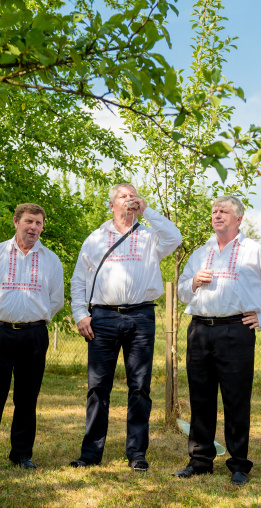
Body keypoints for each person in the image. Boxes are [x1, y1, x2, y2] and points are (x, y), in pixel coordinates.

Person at [174, 196, 261, 485]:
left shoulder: (254, 251)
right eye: (214, 211)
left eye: (224, 211)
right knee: (200, 397)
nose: (217, 215)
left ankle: (238, 464)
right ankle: (200, 461)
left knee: (236, 398)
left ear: (238, 218)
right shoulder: (201, 253)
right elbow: (181, 293)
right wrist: (193, 282)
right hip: (200, 330)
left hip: (236, 329)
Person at [69, 183, 181, 470]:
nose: (129, 199)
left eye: (133, 195)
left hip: (141, 316)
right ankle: (90, 454)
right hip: (102, 317)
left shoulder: (149, 236)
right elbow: (79, 279)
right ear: (112, 205)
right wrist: (81, 314)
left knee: (140, 386)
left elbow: (175, 238)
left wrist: (148, 211)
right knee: (98, 387)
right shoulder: (95, 238)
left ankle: (137, 453)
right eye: (123, 196)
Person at [0, 203, 64, 471]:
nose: (34, 227)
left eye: (39, 223)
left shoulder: (50, 259)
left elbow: (56, 299)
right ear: (16, 222)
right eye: (29, 221)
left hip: (34, 334)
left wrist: (33, 317)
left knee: (27, 396)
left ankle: (21, 454)